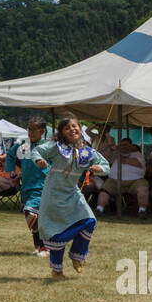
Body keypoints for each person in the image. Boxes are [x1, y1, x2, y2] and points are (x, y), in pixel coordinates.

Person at [32, 118, 109, 277]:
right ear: (62, 133)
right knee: (56, 231)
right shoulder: (56, 147)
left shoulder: (87, 152)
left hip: (72, 192)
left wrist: (99, 167)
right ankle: (57, 270)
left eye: (75, 126)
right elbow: (37, 151)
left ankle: (77, 255)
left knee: (89, 220)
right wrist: (39, 160)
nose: (72, 129)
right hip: (53, 194)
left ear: (80, 129)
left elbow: (106, 166)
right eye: (67, 128)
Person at [7, 118, 52, 255]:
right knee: (34, 217)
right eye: (29, 129)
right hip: (26, 186)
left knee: (30, 212)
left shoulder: (47, 146)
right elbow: (10, 156)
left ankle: (46, 246)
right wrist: (13, 172)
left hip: (42, 187)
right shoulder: (24, 145)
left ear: (42, 131)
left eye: (34, 129)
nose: (30, 132)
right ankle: (38, 246)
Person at [96, 135, 150, 219]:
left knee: (143, 189)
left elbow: (136, 163)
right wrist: (111, 150)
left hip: (136, 181)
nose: (123, 147)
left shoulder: (138, 154)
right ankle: (99, 209)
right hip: (115, 180)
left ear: (131, 146)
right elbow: (106, 160)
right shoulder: (116, 154)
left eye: (126, 145)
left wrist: (118, 154)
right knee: (104, 189)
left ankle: (142, 211)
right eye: (122, 145)